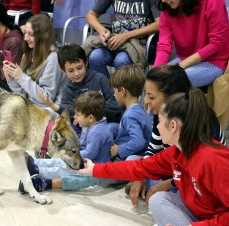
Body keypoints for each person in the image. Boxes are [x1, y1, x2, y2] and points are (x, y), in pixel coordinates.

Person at [79, 88, 229, 226]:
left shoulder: (213, 160)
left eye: (159, 121)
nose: (157, 127)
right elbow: (139, 167)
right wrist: (95, 169)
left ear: (173, 126)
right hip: (214, 217)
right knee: (158, 200)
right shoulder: (176, 153)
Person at [24, 64, 152, 192]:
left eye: (114, 91)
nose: (113, 95)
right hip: (123, 158)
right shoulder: (137, 111)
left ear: (122, 91)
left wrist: (119, 149)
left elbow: (138, 141)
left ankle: (42, 175)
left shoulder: (130, 115)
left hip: (124, 160)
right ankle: (36, 165)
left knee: (80, 173)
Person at [126, 64, 226, 209]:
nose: (146, 102)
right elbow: (153, 149)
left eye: (151, 96)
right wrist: (140, 175)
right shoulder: (160, 113)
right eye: (146, 94)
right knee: (132, 161)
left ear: (171, 96)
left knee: (159, 200)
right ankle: (153, 189)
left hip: (196, 184)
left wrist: (170, 183)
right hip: (173, 171)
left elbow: (201, 175)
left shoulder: (202, 122)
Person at [18, 91, 115, 193]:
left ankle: (38, 170)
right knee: (60, 161)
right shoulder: (92, 126)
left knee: (63, 168)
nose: (75, 117)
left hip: (92, 166)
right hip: (84, 161)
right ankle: (33, 163)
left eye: (78, 115)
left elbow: (90, 153)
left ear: (90, 118)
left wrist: (71, 155)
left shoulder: (97, 132)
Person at [38, 43, 122, 137]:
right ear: (63, 71)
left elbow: (115, 104)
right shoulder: (67, 89)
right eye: (71, 71)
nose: (76, 73)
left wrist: (91, 113)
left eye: (79, 67)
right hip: (81, 128)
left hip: (106, 125)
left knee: (108, 129)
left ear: (85, 63)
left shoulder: (100, 79)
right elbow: (68, 112)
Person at [154, 0, 229, 87]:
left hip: (216, 60)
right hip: (186, 57)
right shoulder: (167, 9)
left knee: (168, 82)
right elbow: (164, 46)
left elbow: (216, 43)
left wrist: (179, 67)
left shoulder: (212, 2)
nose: (163, 1)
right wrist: (155, 72)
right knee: (153, 79)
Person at [2, 14, 65, 111]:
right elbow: (24, 94)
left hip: (47, 113)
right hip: (30, 107)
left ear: (42, 36)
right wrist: (11, 79)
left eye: (31, 34)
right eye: (25, 33)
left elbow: (46, 99)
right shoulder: (27, 54)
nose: (25, 38)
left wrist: (21, 77)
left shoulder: (53, 58)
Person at [84, 0, 160, 78]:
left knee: (121, 60)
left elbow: (160, 23)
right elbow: (91, 15)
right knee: (95, 57)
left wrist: (127, 35)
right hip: (114, 40)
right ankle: (107, 89)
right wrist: (101, 30)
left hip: (139, 43)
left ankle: (124, 90)